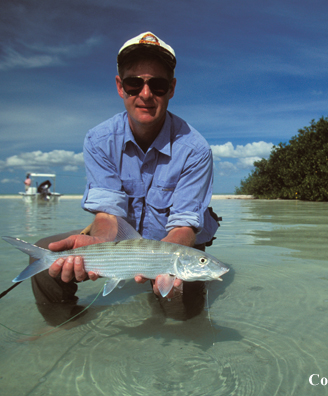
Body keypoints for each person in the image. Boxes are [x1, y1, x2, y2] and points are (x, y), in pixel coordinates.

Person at [30, 32, 219, 322]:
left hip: (173, 245)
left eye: (157, 85)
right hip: (122, 244)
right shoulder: (98, 140)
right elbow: (107, 216)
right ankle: (64, 326)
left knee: (182, 312)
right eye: (134, 83)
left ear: (171, 89)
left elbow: (185, 226)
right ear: (120, 86)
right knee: (43, 253)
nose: (145, 94)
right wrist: (100, 251)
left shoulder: (195, 149)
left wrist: (165, 263)